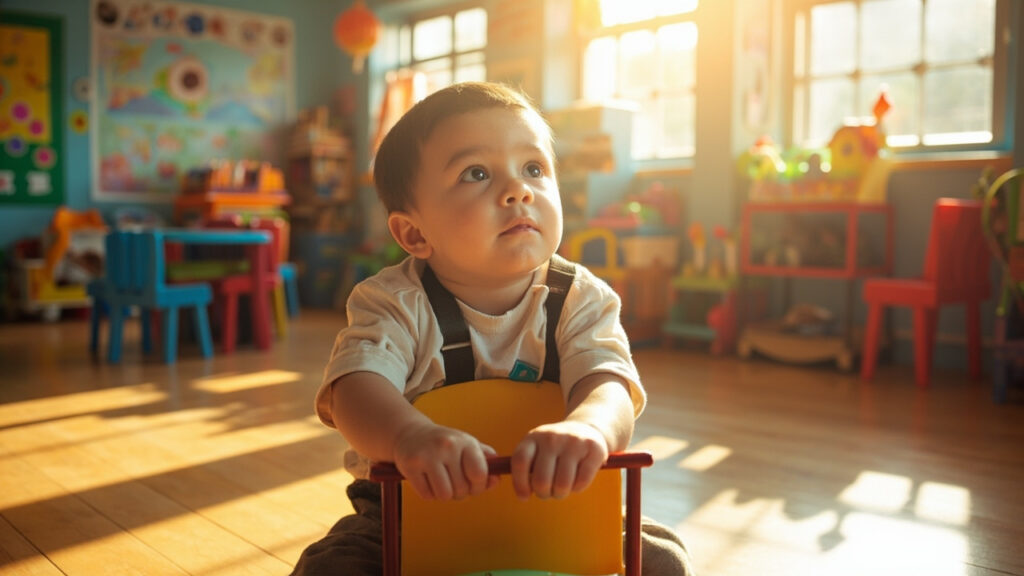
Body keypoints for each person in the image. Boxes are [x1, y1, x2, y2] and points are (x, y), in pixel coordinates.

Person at [290, 81, 693, 576]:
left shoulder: (581, 297)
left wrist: (588, 428)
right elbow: (355, 388)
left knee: (663, 560)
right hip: (412, 505)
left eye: (534, 168)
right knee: (331, 568)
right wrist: (409, 437)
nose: (518, 189)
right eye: (476, 173)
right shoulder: (391, 302)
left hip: (562, 497)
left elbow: (607, 382)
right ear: (414, 232)